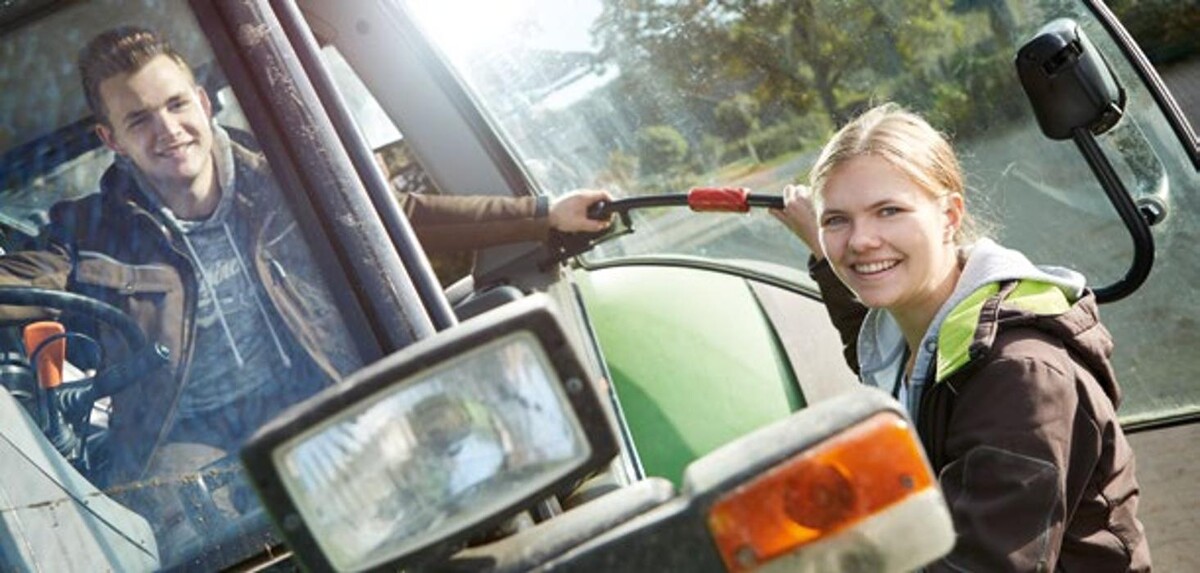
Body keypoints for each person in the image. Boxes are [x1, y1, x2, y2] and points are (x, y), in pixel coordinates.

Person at [0, 25, 610, 486]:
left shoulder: (289, 182)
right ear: (112, 141)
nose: (168, 131)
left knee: (423, 478)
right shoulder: (85, 232)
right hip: (188, 440)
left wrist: (543, 213)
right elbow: (20, 283)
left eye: (177, 105)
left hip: (322, 391)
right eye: (138, 119)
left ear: (205, 104)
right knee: (173, 519)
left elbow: (402, 218)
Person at [771, 103, 1150, 571]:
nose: (861, 240)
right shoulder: (913, 329)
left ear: (949, 215)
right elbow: (873, 347)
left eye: (888, 211)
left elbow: (980, 565)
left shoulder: (1019, 374)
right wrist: (825, 249)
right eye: (837, 220)